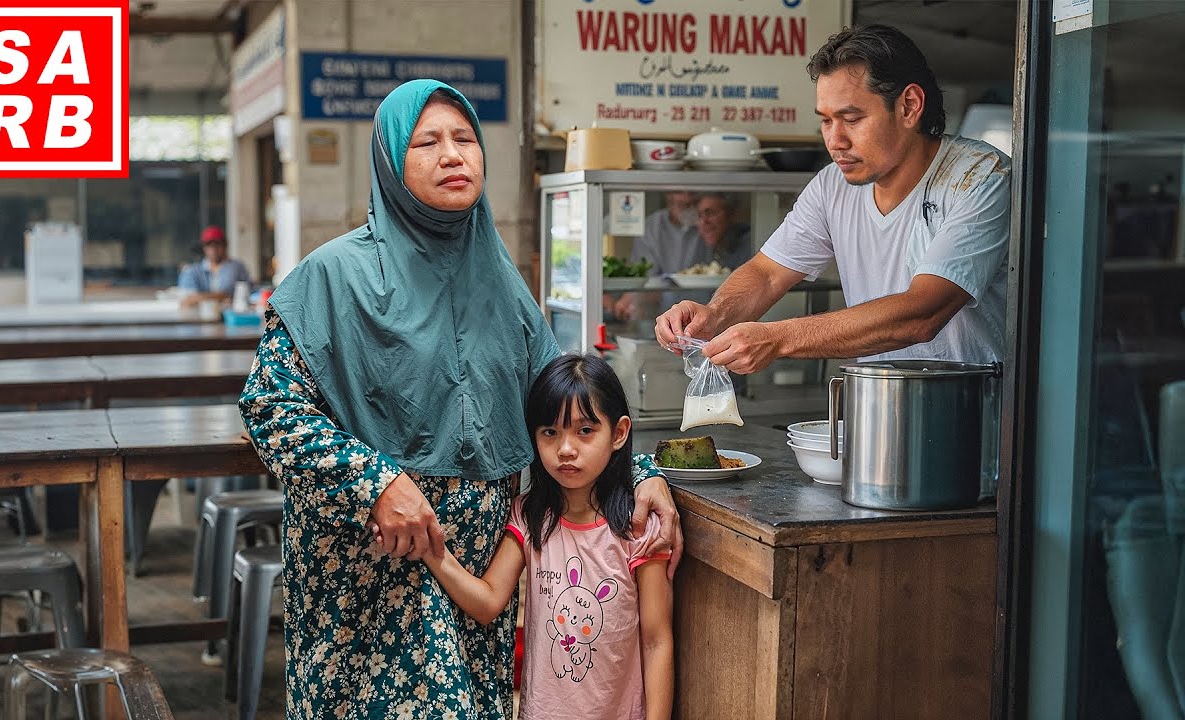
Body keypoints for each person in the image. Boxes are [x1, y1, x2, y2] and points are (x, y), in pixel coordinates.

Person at [237, 79, 681, 719]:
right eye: (428, 142)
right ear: (391, 161)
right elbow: (271, 409)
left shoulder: (501, 282)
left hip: (476, 570)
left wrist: (641, 473)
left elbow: (566, 404)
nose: (453, 155)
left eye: (465, 139)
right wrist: (377, 483)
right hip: (371, 571)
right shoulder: (332, 276)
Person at [655, 24, 1011, 374]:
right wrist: (712, 315)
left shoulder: (980, 177)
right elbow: (767, 273)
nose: (835, 140)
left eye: (851, 119)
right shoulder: (832, 186)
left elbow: (922, 313)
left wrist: (778, 338)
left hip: (973, 412)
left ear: (909, 106)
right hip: (878, 405)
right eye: (825, 121)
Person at [401, 353, 673, 720]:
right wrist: (433, 552)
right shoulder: (530, 519)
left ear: (619, 433)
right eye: (550, 432)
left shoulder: (637, 527)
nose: (565, 448)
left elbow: (656, 640)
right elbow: (487, 602)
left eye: (585, 431)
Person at [613, 192, 752, 322]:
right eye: (699, 215)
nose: (704, 221)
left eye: (710, 213)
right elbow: (648, 283)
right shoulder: (653, 227)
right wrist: (633, 298)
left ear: (731, 215)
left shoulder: (746, 243)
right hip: (682, 321)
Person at [177, 225, 250, 308]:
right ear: (204, 248)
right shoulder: (192, 271)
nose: (213, 249)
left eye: (217, 244)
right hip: (197, 319)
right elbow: (186, 301)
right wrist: (222, 296)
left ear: (225, 245)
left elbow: (248, 295)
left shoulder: (236, 267)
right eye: (208, 245)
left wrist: (199, 298)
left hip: (229, 318)